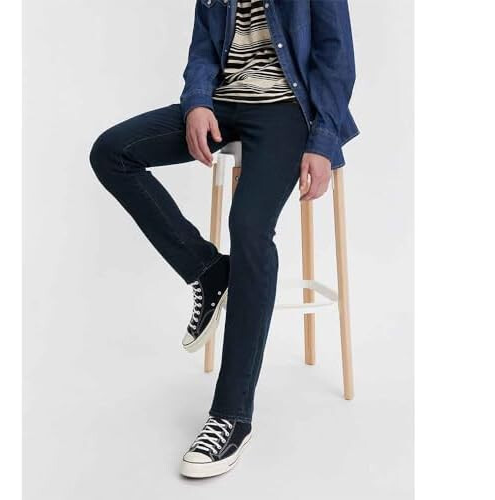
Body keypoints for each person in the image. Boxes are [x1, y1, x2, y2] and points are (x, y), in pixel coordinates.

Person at [90, 0, 358, 478]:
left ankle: (232, 415)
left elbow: (336, 57)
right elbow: (202, 49)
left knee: (249, 227)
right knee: (112, 152)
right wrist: (197, 101)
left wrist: (323, 141)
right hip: (223, 104)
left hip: (287, 110)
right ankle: (209, 270)